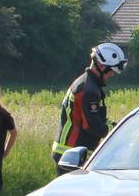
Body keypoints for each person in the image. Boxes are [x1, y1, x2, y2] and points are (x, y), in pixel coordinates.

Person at [52, 43, 128, 174]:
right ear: (102, 66)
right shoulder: (88, 89)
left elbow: (97, 117)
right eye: (111, 71)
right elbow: (92, 125)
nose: (112, 75)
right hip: (72, 155)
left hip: (73, 153)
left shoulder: (89, 84)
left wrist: (119, 125)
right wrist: (116, 133)